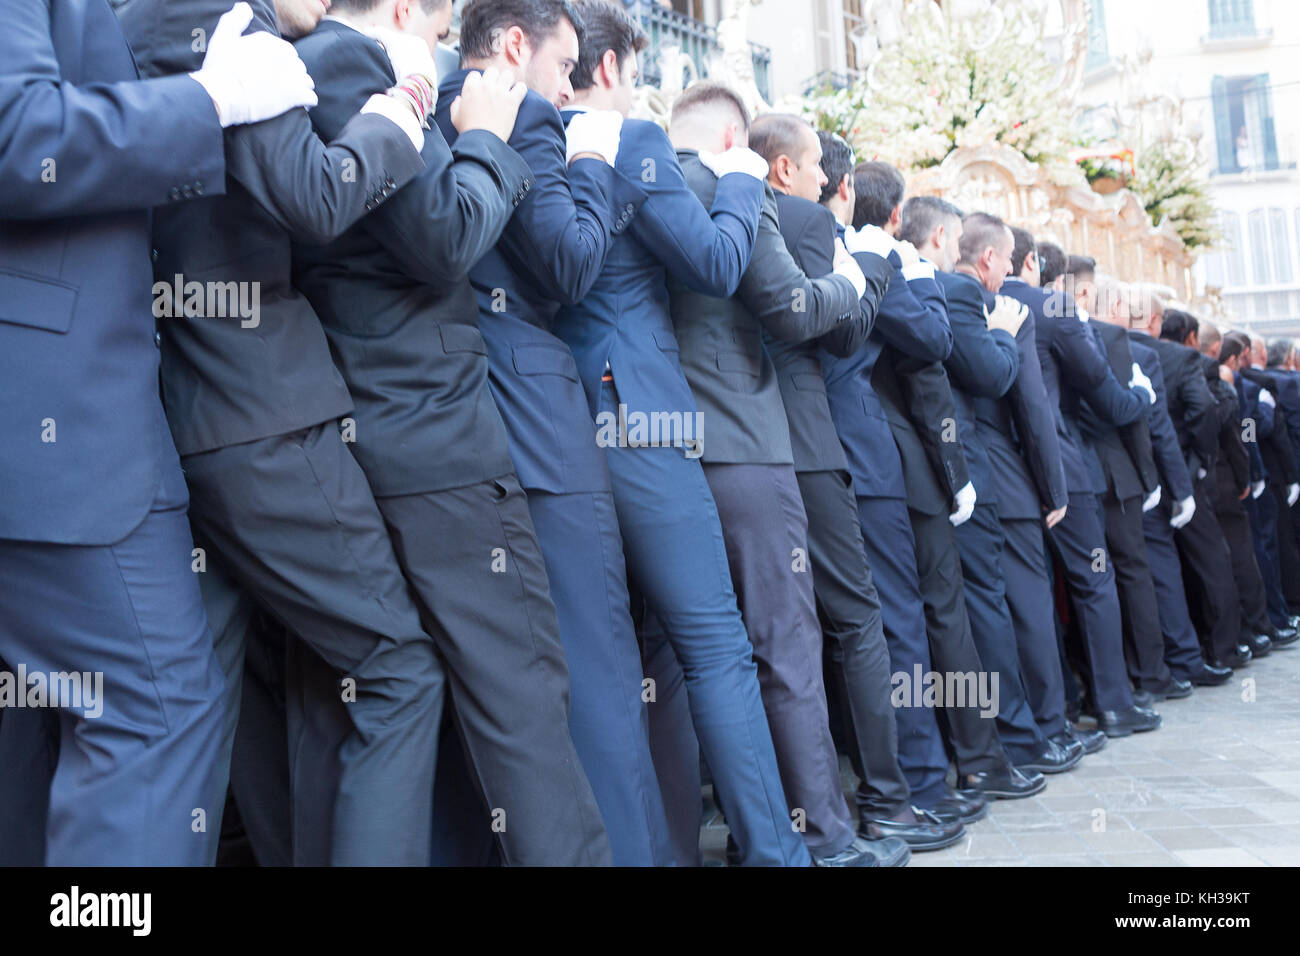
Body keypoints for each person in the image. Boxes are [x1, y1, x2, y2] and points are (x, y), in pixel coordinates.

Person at [291, 0, 624, 866]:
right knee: (522, 703)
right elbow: (443, 239)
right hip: (429, 433)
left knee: (419, 702)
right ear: (405, 11)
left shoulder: (321, 64)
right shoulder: (350, 66)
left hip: (377, 428)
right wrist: (487, 136)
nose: (445, 50)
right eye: (440, 24)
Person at [0, 0, 316, 865]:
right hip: (56, 424)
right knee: (159, 712)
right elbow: (17, 134)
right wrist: (209, 102)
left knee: (30, 740)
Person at [555, 3, 806, 866]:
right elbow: (714, 262)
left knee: (627, 661)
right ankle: (779, 854)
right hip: (641, 417)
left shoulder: (524, 132)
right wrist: (739, 177)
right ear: (616, 67)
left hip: (557, 424)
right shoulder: (630, 140)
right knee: (717, 649)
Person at [665, 102, 896, 866]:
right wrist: (857, 277)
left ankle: (757, 833)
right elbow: (804, 313)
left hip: (663, 445)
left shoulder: (649, 181)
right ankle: (832, 832)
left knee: (714, 657)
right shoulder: (762, 204)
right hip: (756, 447)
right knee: (790, 648)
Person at [925, 209, 1082, 773]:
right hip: (997, 479)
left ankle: (1009, 737)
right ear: (987, 257)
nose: (1012, 271)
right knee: (1021, 611)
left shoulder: (938, 289)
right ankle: (1037, 731)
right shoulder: (991, 307)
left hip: (945, 474)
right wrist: (1053, 485)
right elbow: (1030, 405)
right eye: (1009, 259)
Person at [1001, 247, 1162, 737]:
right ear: (1029, 262)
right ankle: (1113, 703)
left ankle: (1060, 710)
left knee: (1032, 591)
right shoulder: (1054, 308)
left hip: (1002, 467)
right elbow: (1107, 397)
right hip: (1063, 465)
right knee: (1094, 580)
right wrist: (1141, 394)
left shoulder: (969, 296)